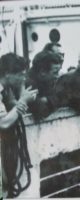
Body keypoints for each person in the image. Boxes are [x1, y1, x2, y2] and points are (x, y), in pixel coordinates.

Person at [0, 53, 38, 198]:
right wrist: (24, 101)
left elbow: (14, 108)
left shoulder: (6, 88)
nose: (24, 78)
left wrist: (22, 96)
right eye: (21, 75)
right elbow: (3, 122)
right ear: (8, 74)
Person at [26, 51, 63, 119]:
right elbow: (42, 111)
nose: (57, 76)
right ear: (43, 72)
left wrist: (46, 100)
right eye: (55, 72)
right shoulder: (28, 83)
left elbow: (62, 98)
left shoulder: (46, 79)